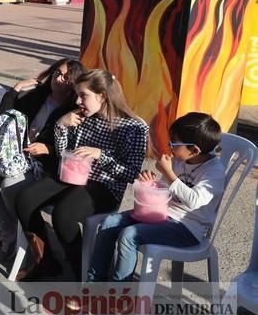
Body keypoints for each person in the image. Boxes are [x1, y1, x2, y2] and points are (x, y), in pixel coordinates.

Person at [13, 69, 149, 282]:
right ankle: (46, 259)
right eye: (77, 94)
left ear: (102, 96)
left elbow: (131, 173)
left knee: (63, 215)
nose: (77, 100)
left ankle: (81, 273)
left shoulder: (134, 127)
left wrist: (100, 155)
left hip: (104, 186)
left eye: (83, 95)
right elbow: (63, 154)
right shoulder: (83, 116)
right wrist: (61, 127)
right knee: (24, 198)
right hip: (73, 175)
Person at [86, 112, 225, 283]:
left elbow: (194, 201)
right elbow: (166, 189)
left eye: (174, 143)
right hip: (161, 214)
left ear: (194, 150)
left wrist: (168, 173)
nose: (170, 146)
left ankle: (120, 292)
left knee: (129, 235)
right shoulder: (179, 160)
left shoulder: (214, 172)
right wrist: (151, 182)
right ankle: (94, 282)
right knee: (109, 223)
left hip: (187, 228)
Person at [0, 59, 86, 256]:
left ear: (73, 83)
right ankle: (10, 228)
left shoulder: (74, 112)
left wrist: (49, 149)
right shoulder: (38, 96)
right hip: (18, 157)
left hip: (45, 167)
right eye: (56, 73)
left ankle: (26, 232)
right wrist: (16, 89)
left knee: (9, 183)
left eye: (64, 76)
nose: (58, 78)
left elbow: (75, 150)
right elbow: (5, 117)